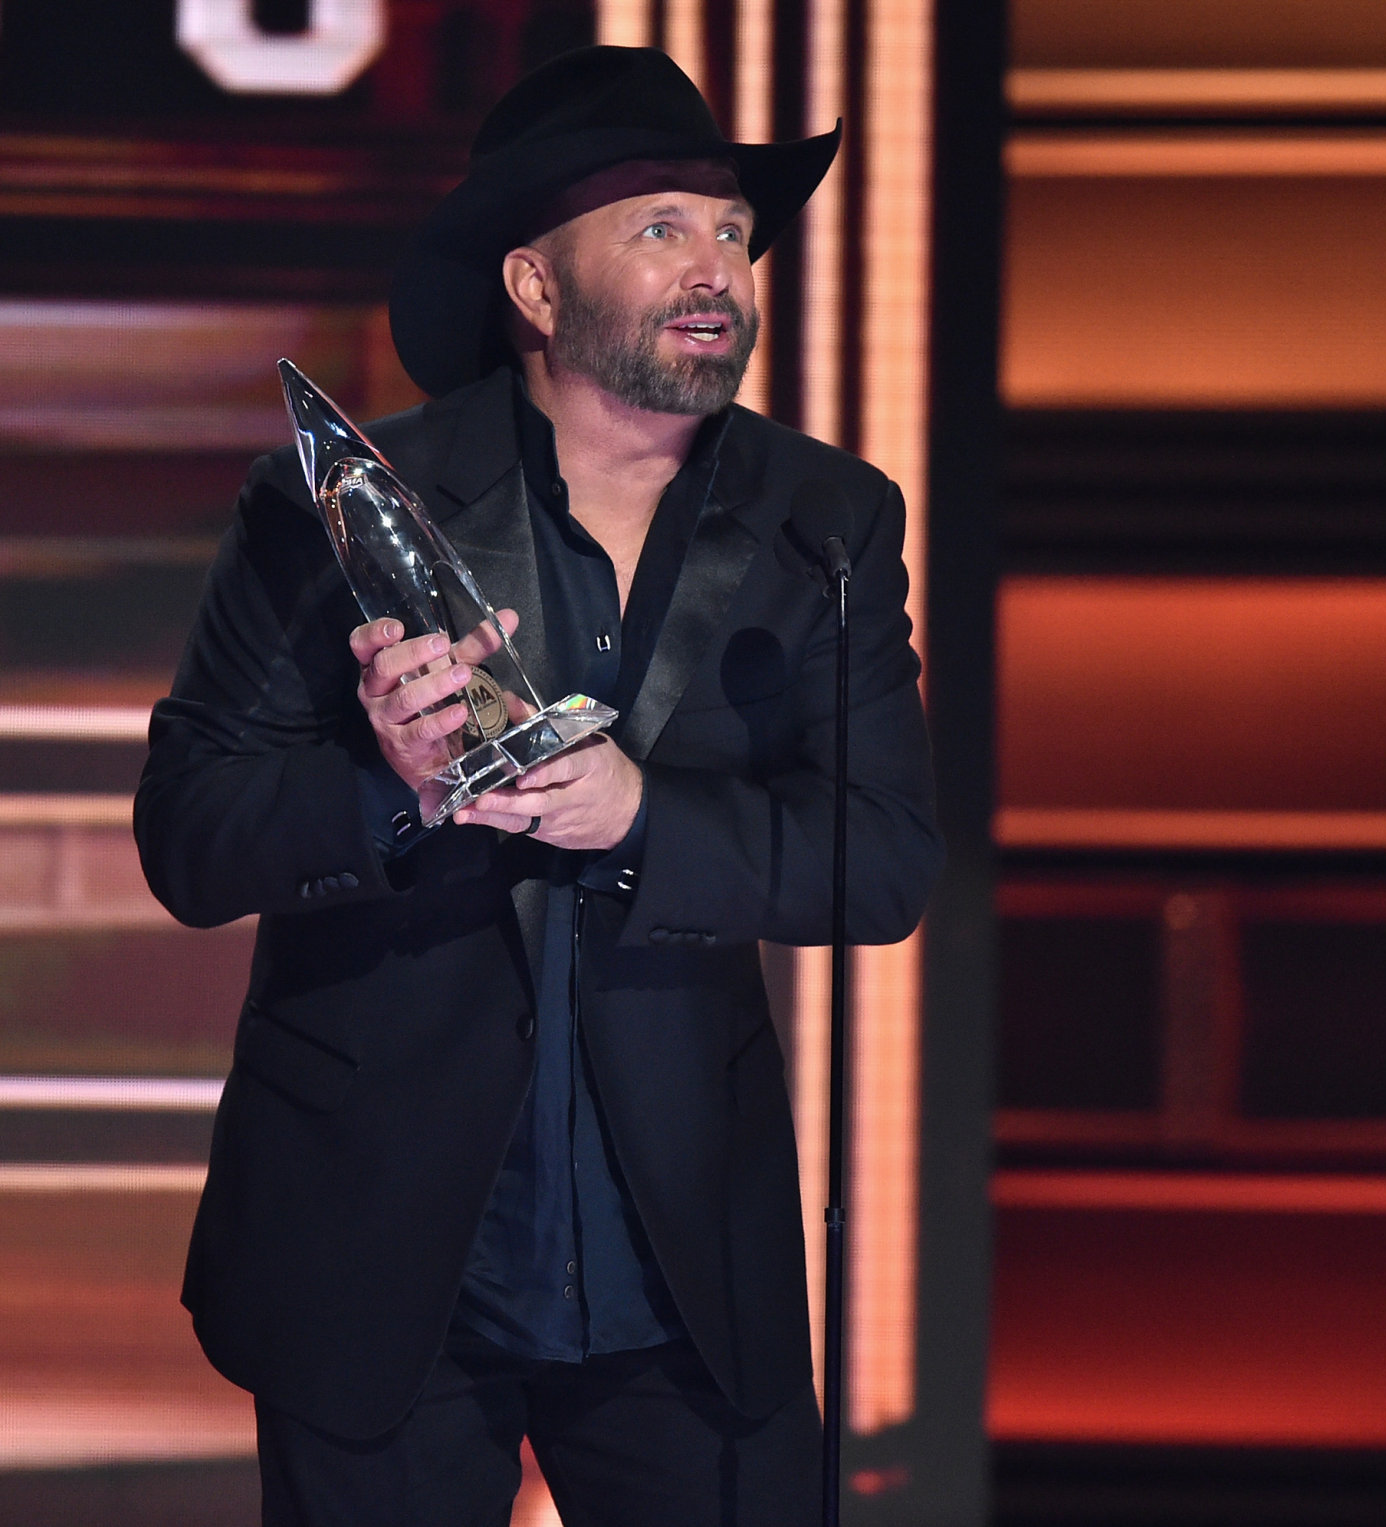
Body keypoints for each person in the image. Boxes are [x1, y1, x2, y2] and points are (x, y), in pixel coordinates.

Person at [135, 44, 939, 1527]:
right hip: (382, 1257)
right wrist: (388, 780)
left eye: (731, 233)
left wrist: (647, 819)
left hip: (684, 1271)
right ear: (534, 286)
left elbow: (883, 857)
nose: (716, 269)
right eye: (660, 229)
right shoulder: (339, 504)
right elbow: (189, 835)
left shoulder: (825, 521)